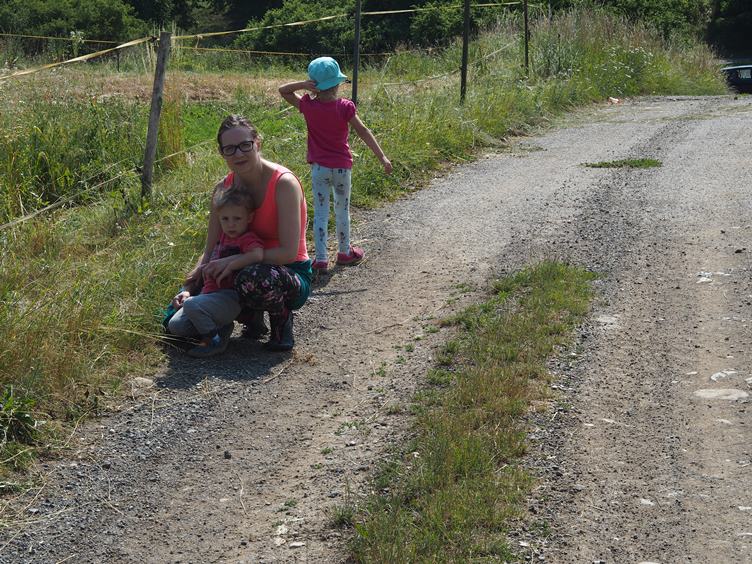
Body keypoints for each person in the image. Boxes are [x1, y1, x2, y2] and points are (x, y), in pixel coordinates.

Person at [180, 114, 312, 352]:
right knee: (176, 326)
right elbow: (211, 248)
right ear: (222, 153)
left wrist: (235, 261)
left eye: (245, 145)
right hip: (236, 268)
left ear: (257, 143)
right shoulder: (223, 189)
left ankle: (280, 322)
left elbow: (288, 253)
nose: (238, 154)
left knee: (254, 277)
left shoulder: (284, 184)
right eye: (230, 149)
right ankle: (245, 319)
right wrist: (190, 285)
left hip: (286, 272)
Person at [278, 56, 392, 274]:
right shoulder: (345, 107)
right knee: (342, 209)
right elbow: (363, 131)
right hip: (342, 168)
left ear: (314, 85)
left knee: (321, 213)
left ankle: (321, 259)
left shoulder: (308, 106)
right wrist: (382, 157)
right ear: (337, 83)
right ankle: (344, 252)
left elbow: (283, 90)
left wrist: (303, 85)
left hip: (319, 169)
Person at [168, 188, 263, 358]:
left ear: (249, 218)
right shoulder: (221, 239)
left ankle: (214, 340)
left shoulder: (246, 239)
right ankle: (220, 328)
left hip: (229, 297)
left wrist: (232, 264)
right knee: (175, 325)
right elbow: (203, 265)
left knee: (191, 305)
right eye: (225, 219)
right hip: (208, 296)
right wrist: (187, 290)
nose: (231, 224)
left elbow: (257, 254)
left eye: (237, 218)